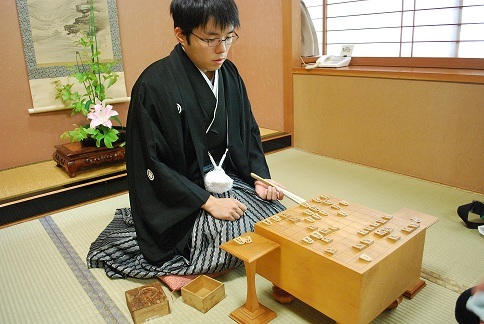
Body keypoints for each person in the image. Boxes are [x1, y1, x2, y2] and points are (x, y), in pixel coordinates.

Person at [87, 0, 285, 278]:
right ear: (181, 35)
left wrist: (259, 179)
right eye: (210, 39)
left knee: (275, 215)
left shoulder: (229, 73)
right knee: (234, 237)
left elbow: (248, 132)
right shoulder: (154, 85)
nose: (222, 49)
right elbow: (150, 162)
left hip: (225, 176)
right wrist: (207, 202)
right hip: (182, 195)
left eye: (229, 37)